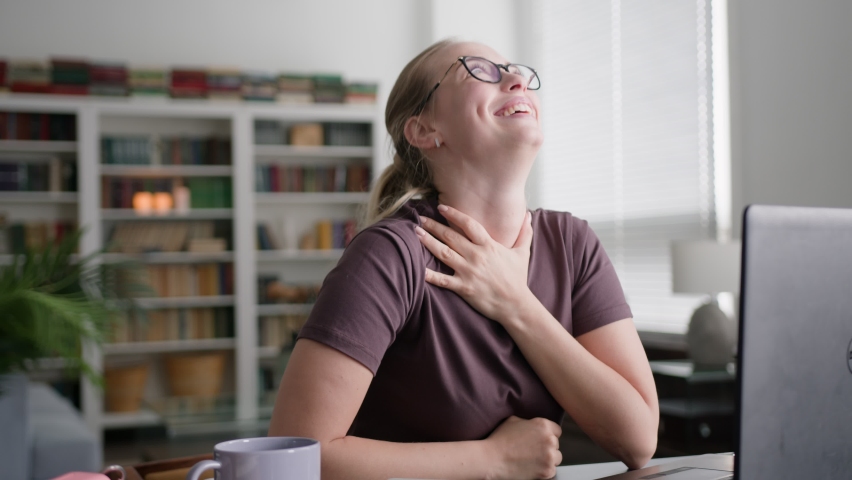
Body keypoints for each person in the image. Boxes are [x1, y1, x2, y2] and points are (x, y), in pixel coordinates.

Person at [268, 39, 659, 480]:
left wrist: (516, 303)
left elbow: (638, 440)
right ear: (424, 131)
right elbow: (294, 457)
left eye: (515, 70)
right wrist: (492, 461)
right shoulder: (391, 256)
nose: (516, 80)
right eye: (479, 70)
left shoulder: (573, 244)